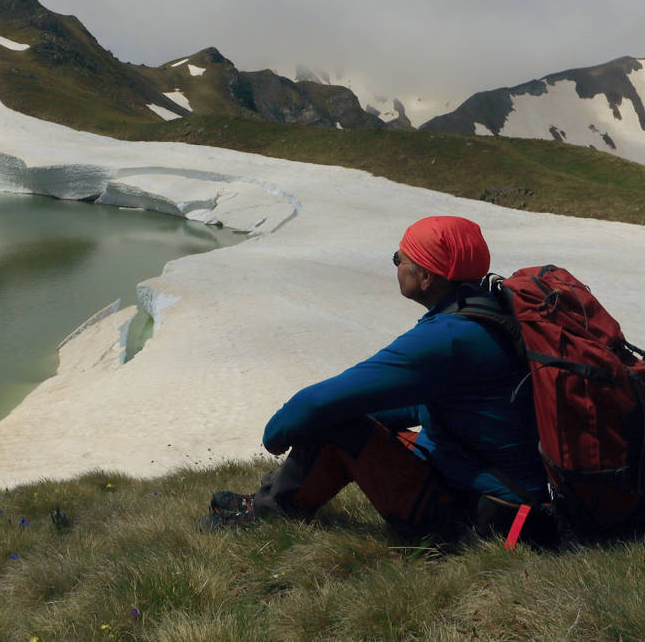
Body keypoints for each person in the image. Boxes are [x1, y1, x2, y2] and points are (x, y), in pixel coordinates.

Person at [208, 215, 549, 545]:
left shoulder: (448, 336)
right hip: (502, 502)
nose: (397, 264)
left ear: (427, 277)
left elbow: (318, 402)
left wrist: (275, 435)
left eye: (400, 258)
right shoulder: (490, 314)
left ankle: (264, 514)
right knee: (346, 418)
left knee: (335, 422)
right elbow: (432, 403)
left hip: (480, 520)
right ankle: (268, 500)